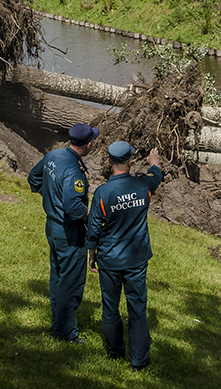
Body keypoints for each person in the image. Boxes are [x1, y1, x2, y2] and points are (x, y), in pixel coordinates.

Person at [87, 141, 163, 370]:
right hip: (136, 259)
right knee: (137, 308)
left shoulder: (103, 193)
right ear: (130, 161)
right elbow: (156, 176)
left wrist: (92, 254)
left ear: (109, 161)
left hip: (109, 259)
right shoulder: (144, 185)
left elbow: (93, 229)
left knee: (110, 307)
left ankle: (115, 351)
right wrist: (154, 163)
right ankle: (138, 361)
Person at [28, 122, 99, 343]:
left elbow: (34, 178)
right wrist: (93, 216)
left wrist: (51, 198)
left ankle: (58, 324)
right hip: (69, 232)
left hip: (52, 226)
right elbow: (74, 208)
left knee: (58, 276)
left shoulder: (53, 156)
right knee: (71, 282)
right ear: (88, 144)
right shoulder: (74, 171)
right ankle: (66, 333)